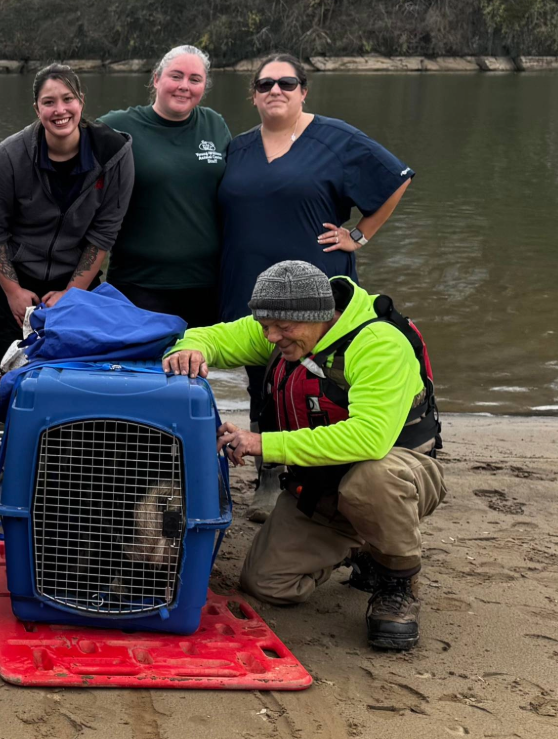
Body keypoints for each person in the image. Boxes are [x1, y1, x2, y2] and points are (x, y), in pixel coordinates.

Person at [164, 261, 443, 651]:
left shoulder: (379, 343)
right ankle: (359, 543)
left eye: (281, 328)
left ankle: (398, 581)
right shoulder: (287, 327)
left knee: (372, 479)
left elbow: (370, 440)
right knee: (267, 584)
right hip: (323, 482)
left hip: (398, 471)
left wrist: (263, 443)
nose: (271, 336)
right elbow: (213, 336)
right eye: (265, 326)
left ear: (319, 316)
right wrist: (189, 349)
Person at [219, 54, 414, 523]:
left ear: (304, 90)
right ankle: (269, 471)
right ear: (254, 93)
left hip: (314, 282)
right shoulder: (238, 148)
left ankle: (315, 470)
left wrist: (359, 235)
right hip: (246, 275)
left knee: (321, 375)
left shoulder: (336, 138)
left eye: (287, 82)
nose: (275, 91)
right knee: (260, 377)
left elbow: (396, 180)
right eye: (265, 84)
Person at [0, 63, 134, 360]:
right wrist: (13, 293)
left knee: (74, 371)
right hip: (14, 274)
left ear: (81, 102)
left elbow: (104, 233)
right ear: (37, 109)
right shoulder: (11, 155)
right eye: (49, 102)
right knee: (16, 372)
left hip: (76, 276)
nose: (60, 110)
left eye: (68, 99)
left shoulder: (114, 154)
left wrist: (72, 294)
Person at [94, 44, 232, 327]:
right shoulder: (118, 126)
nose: (184, 86)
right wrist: (11, 200)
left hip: (205, 285)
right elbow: (62, 156)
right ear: (156, 79)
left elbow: (239, 190)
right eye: (176, 76)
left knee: (195, 368)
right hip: (138, 285)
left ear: (204, 87)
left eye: (195, 80)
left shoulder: (215, 124)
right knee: (138, 368)